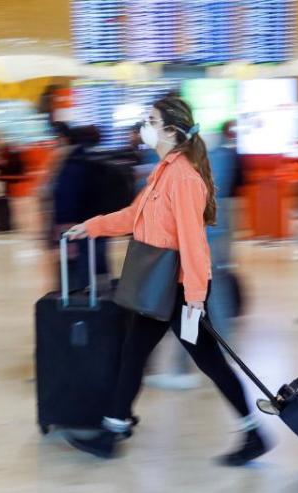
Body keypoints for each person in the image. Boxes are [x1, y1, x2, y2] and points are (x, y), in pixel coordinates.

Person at [64, 96, 270, 465]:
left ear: (171, 131)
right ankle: (114, 428)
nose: (145, 127)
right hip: (161, 286)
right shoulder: (163, 172)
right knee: (136, 354)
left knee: (206, 361)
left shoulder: (184, 178)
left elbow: (193, 241)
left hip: (178, 290)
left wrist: (195, 297)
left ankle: (252, 431)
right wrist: (91, 226)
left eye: (152, 121)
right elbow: (133, 216)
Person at [144, 120, 240, 391]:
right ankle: (213, 358)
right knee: (211, 300)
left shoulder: (186, 160)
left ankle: (183, 367)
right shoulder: (216, 153)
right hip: (209, 239)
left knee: (188, 304)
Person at [53, 125, 109, 290]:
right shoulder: (101, 159)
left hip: (79, 225)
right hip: (102, 221)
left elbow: (66, 195)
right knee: (99, 265)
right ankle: (102, 297)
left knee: (81, 268)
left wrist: (64, 226)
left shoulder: (73, 162)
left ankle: (82, 299)